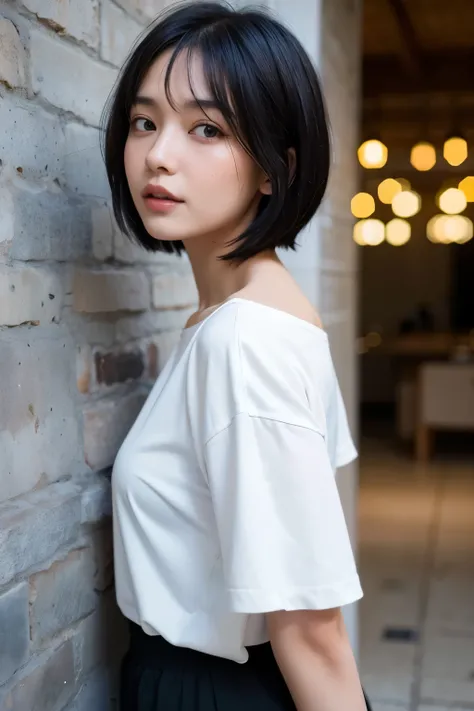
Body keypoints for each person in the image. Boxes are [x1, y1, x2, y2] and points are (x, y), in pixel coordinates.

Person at [103, 2, 370, 709]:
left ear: (274, 169)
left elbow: (311, 629)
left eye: (205, 128)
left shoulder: (245, 339)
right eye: (145, 121)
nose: (160, 153)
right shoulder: (241, 315)